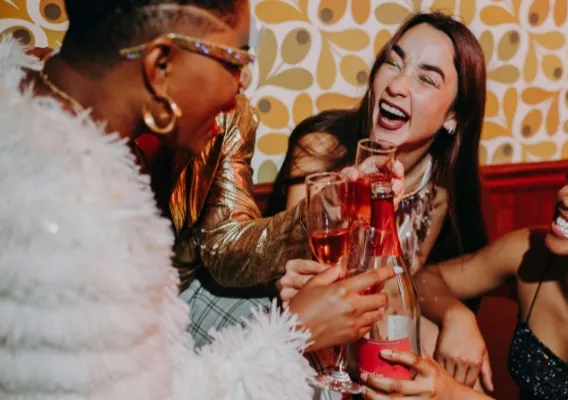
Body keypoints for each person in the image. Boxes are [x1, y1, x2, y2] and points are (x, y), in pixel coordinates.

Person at [0, 1, 398, 398]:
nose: (241, 87)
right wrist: (292, 334)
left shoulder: (64, 129)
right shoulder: (57, 207)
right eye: (235, 62)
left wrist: (326, 209)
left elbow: (224, 244)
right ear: (161, 67)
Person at [357, 146, 568, 400]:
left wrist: (450, 393)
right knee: (423, 328)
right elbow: (426, 280)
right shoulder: (531, 250)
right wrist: (457, 315)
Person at [271, 11, 490, 380]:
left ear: (453, 116)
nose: (398, 85)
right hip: (299, 340)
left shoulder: (437, 190)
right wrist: (346, 197)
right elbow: (295, 279)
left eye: (426, 78)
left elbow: (398, 297)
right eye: (394, 63)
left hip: (369, 339)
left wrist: (458, 314)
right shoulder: (320, 148)